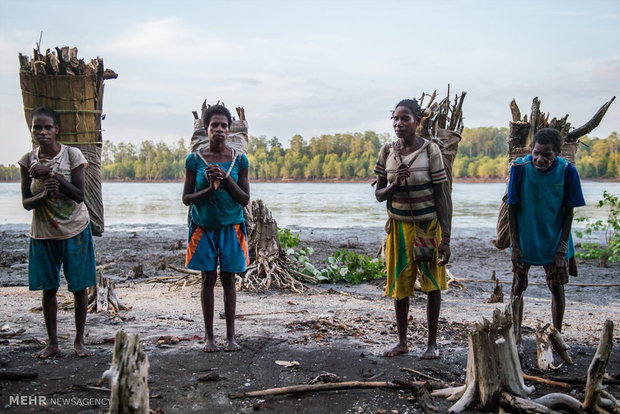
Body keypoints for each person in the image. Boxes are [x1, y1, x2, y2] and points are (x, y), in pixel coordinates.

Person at [374, 99, 451, 359]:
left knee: (432, 284)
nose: (398, 123)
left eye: (405, 118)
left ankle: (432, 344)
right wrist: (395, 184)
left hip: (427, 227)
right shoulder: (386, 151)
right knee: (400, 284)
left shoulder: (431, 151)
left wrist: (446, 238)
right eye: (395, 118)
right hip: (398, 227)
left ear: (418, 122)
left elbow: (441, 195)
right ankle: (402, 342)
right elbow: (379, 195)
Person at [18, 106, 96, 358]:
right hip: (43, 232)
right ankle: (52, 343)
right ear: (32, 131)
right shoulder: (27, 161)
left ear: (56, 130)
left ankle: (79, 342)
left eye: (47, 127)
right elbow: (26, 203)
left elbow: (79, 195)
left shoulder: (72, 155)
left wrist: (53, 175)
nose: (42, 132)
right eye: (37, 128)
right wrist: (44, 194)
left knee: (79, 287)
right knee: (48, 289)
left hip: (74, 228)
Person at [182, 104, 250, 352]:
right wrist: (209, 189)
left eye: (223, 126)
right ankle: (209, 338)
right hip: (203, 227)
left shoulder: (239, 159)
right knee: (207, 279)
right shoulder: (195, 159)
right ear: (206, 129)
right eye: (214, 126)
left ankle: (231, 337)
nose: (219, 129)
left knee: (229, 279)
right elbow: (187, 199)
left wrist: (226, 178)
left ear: (230, 130)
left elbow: (244, 199)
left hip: (231, 227)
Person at [508, 128, 585, 344]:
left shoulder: (567, 171)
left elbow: (569, 212)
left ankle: (556, 334)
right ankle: (516, 334)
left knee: (557, 286)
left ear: (557, 154)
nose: (539, 159)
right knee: (518, 284)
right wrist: (515, 246)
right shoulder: (520, 168)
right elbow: (511, 208)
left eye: (547, 155)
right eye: (536, 153)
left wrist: (562, 249)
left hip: (555, 240)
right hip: (525, 238)